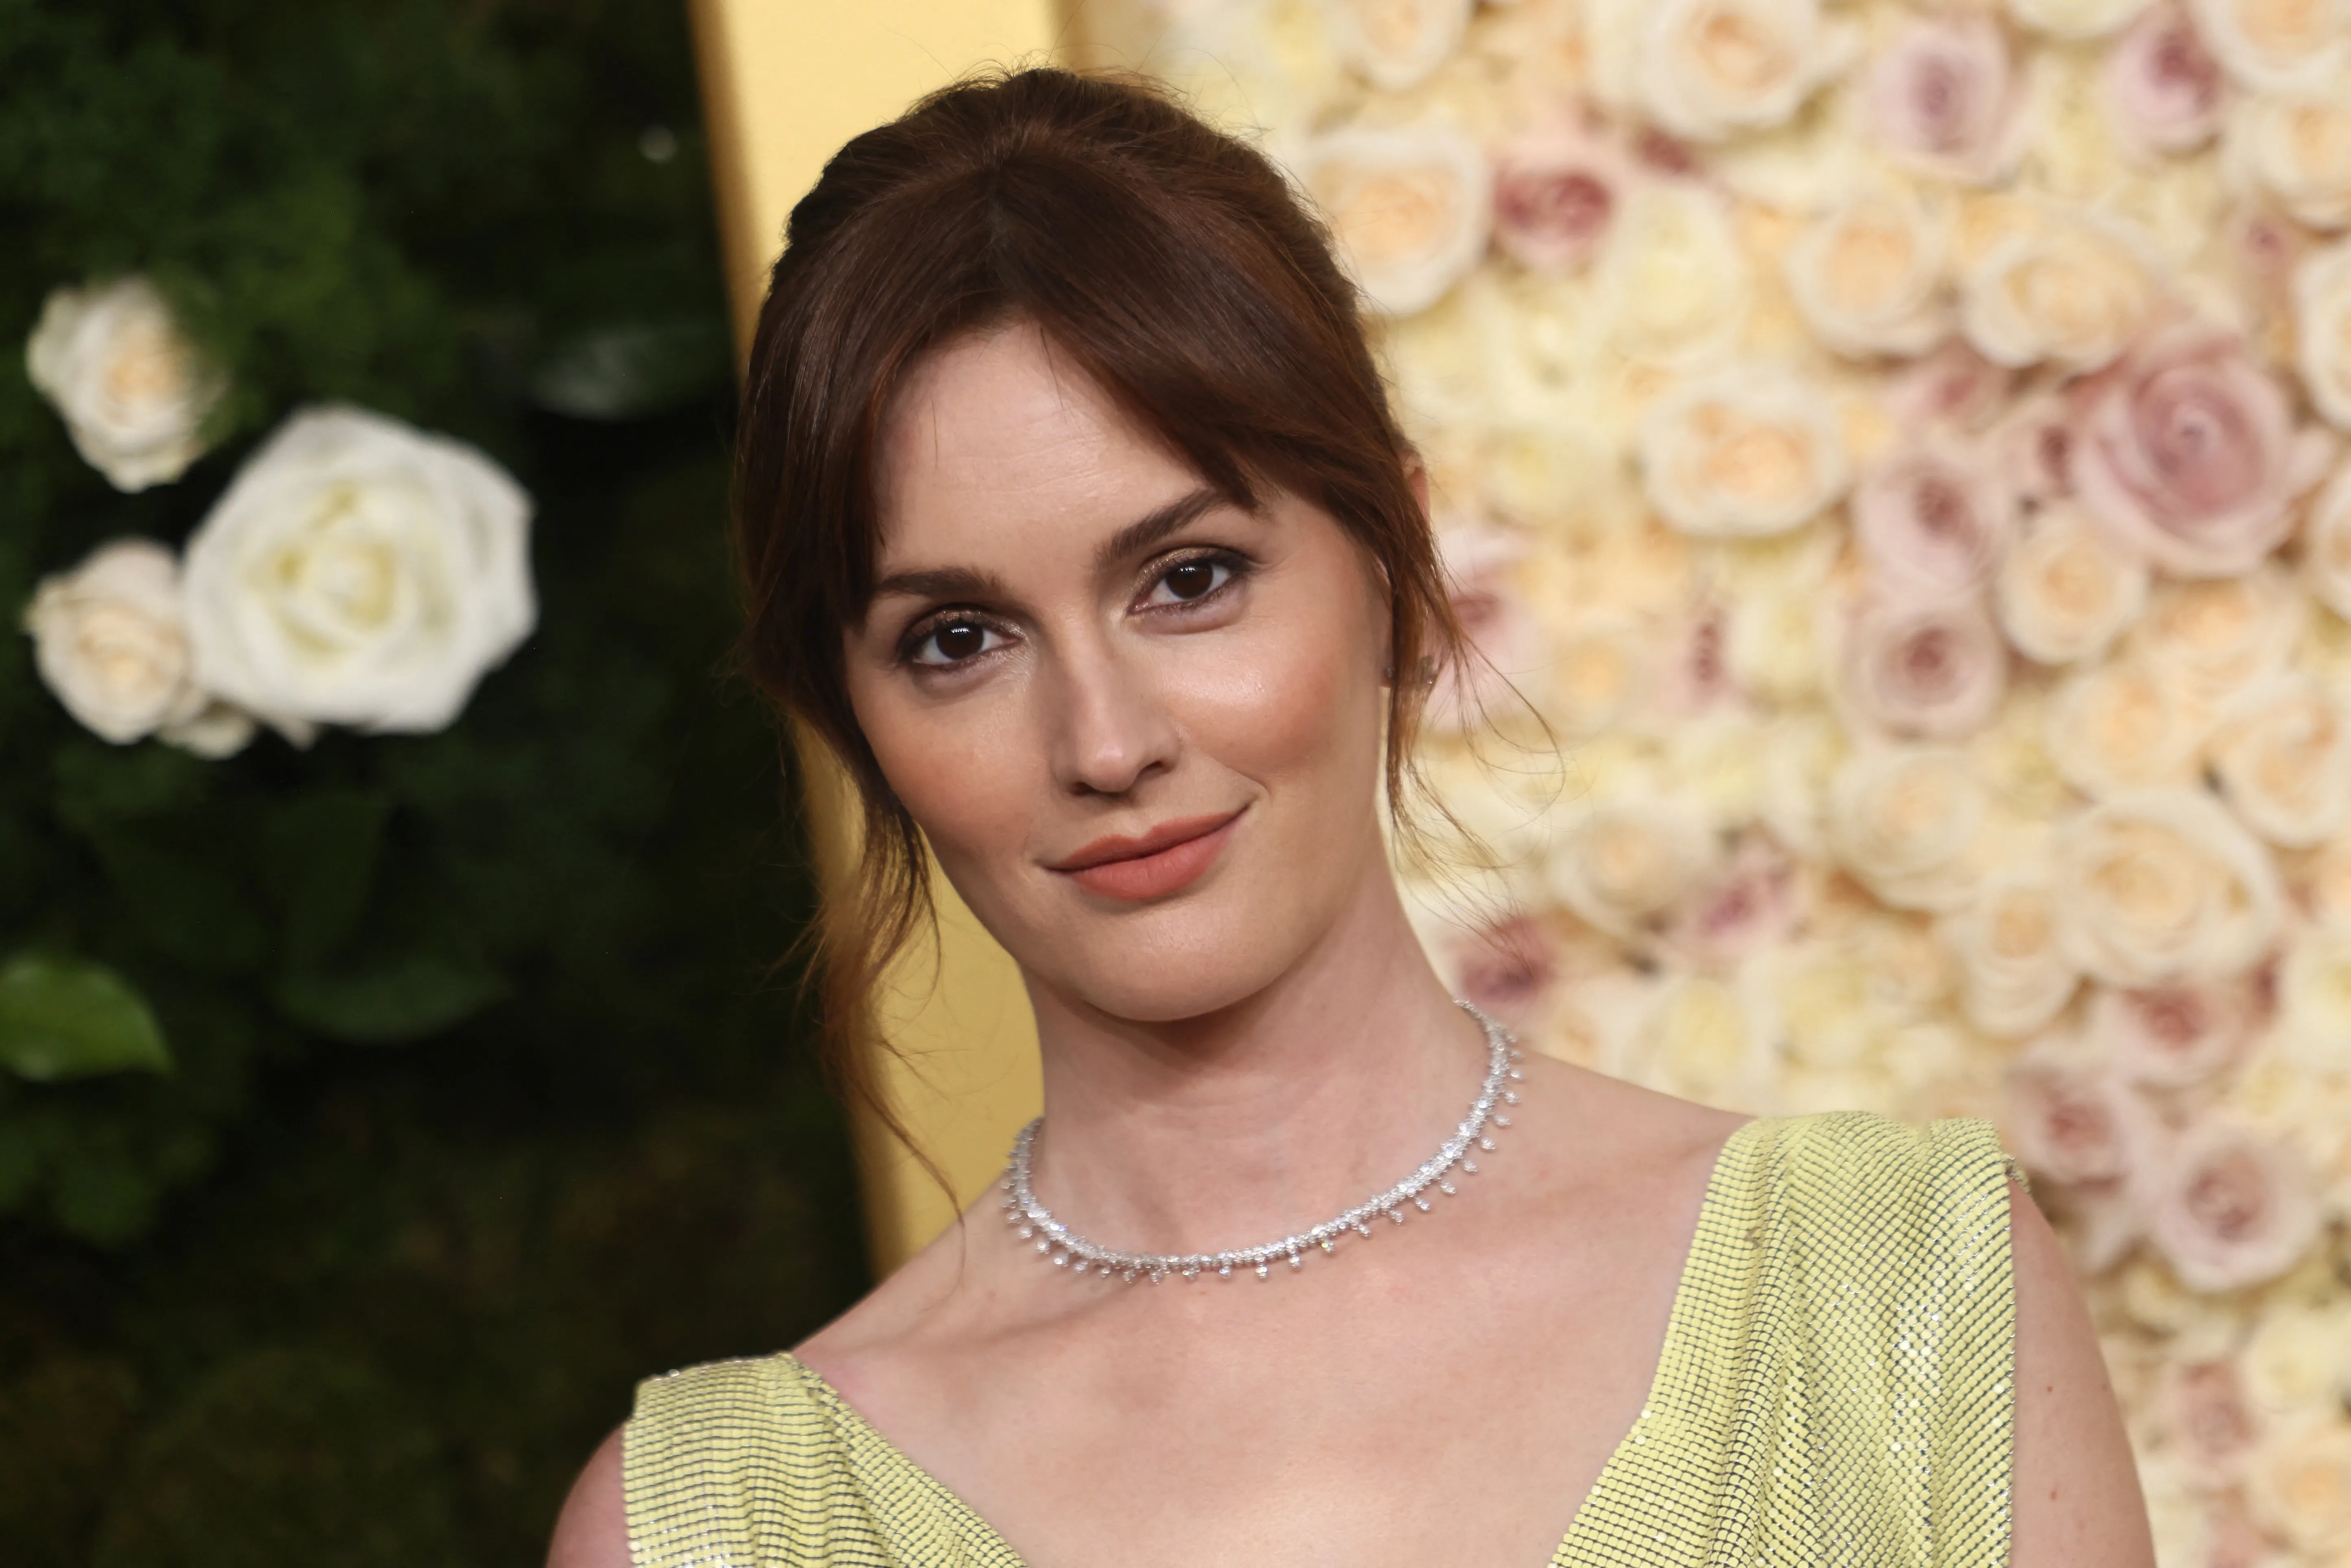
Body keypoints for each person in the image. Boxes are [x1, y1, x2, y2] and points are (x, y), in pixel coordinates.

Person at [549, 68, 2152, 1568]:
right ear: (846, 717)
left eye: (1190, 579)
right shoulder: (709, 1531)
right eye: (957, 640)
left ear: (1395, 569)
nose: (1105, 743)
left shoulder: (1905, 1295)